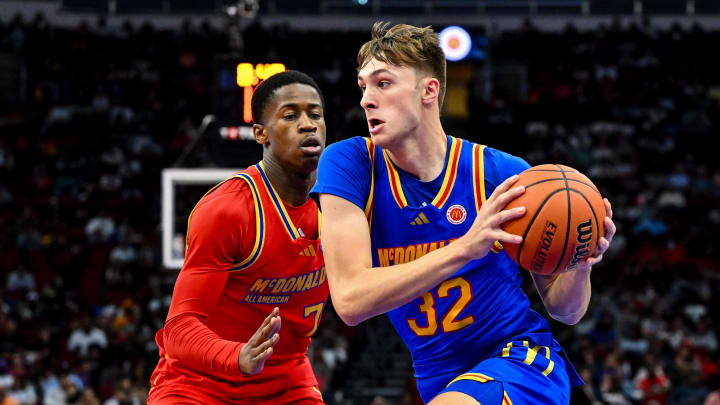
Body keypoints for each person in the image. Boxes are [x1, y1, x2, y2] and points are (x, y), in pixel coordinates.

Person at [312, 22, 616, 405]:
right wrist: (465, 248)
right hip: (437, 378)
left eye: (383, 83)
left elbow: (565, 310)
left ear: (429, 90)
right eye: (364, 86)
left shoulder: (502, 175)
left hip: (519, 360)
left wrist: (580, 262)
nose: (366, 99)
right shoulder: (349, 164)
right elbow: (351, 301)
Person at [148, 70, 329, 404]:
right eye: (290, 116)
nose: (308, 124)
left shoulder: (340, 205)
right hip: (199, 383)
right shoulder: (229, 210)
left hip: (285, 382)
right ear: (260, 133)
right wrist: (238, 357)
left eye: (315, 114)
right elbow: (178, 329)